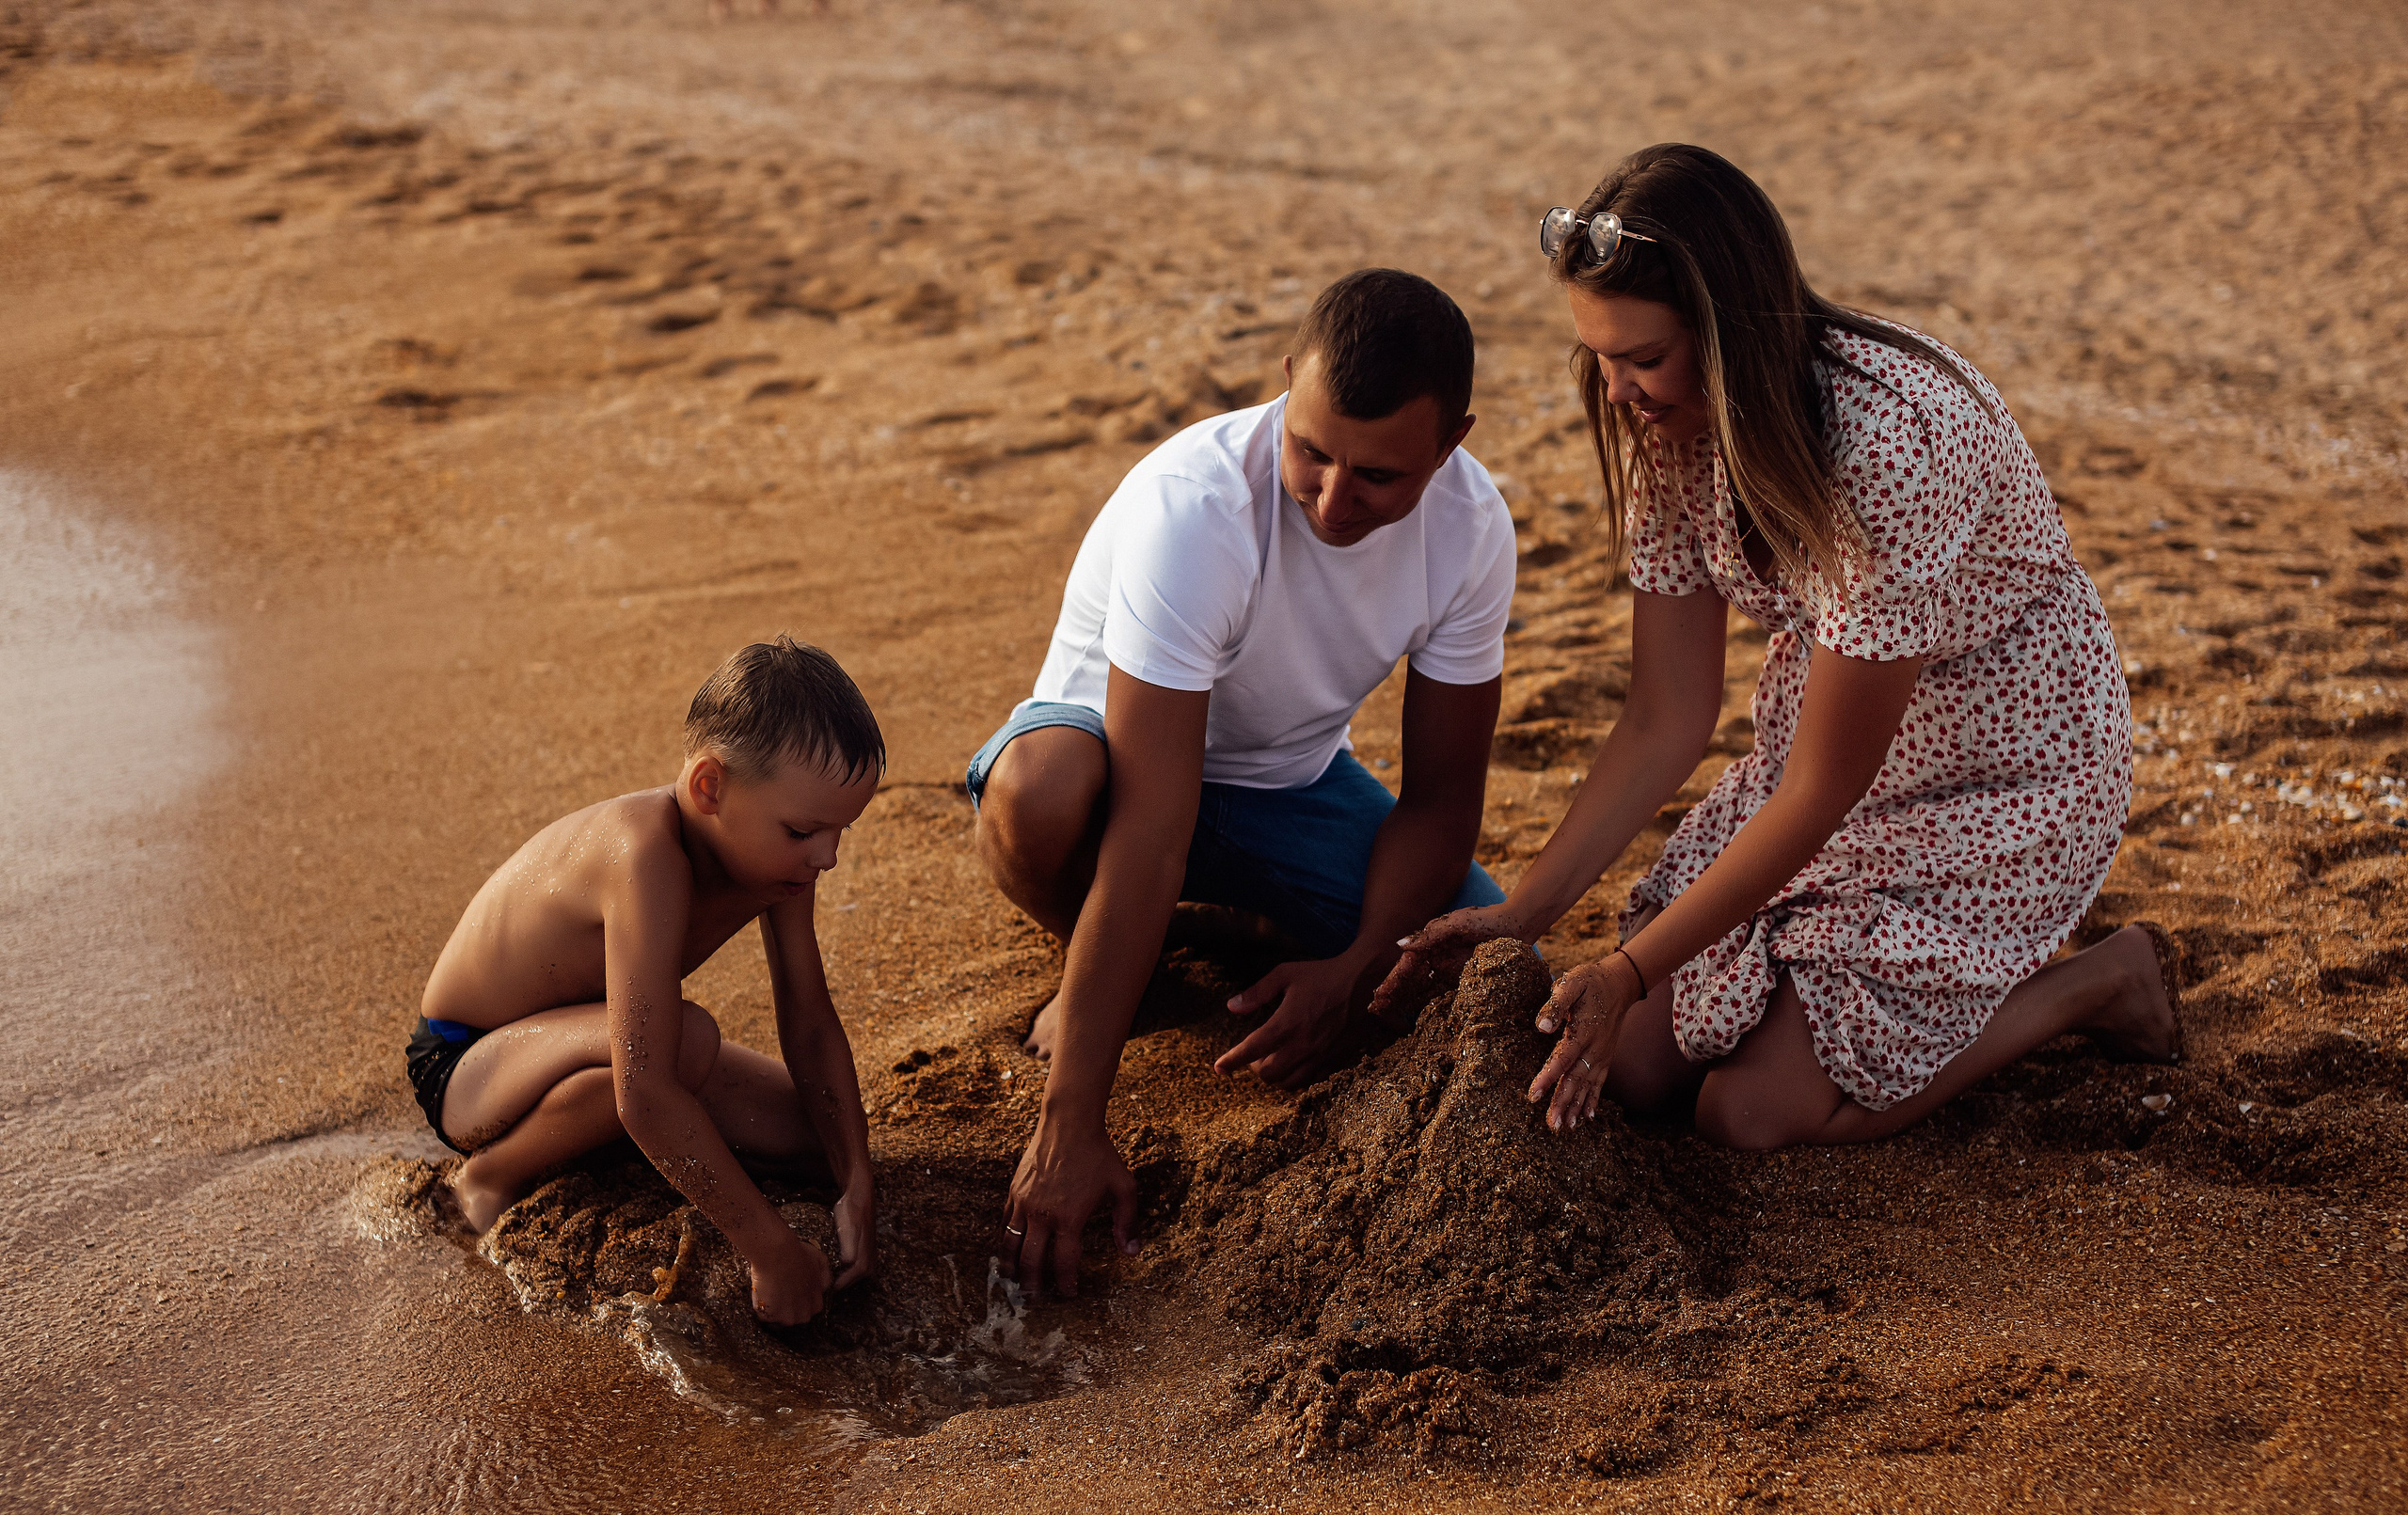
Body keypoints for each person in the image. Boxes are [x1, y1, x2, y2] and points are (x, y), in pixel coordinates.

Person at [1381, 145, 2178, 1149]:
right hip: (1828, 751)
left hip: (2002, 775)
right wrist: (1523, 913)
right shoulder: (1673, 426)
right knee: (1633, 1066)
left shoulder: (1889, 445)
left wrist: (1626, 972)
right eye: (1600, 356)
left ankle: (2099, 982)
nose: (1619, 390)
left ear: (1728, 336)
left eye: (1643, 358)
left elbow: (1820, 792)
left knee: (1748, 1114)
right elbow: (1665, 715)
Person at [972, 268, 1517, 1293]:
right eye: (1309, 451)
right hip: (1110, 767)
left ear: (1451, 444)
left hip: (1286, 784)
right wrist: (1069, 1126)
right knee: (1036, 796)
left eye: (1378, 478)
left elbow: (1444, 800)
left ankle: (1229, 934)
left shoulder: (1474, 531)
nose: (1329, 498)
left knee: (1467, 954)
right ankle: (1109, 966)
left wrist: (1356, 966)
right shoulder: (1199, 506)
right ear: (1285, 387)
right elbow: (1148, 827)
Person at [407, 636, 882, 1326]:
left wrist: (856, 1179)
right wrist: (768, 1248)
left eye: (840, 832)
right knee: (681, 1044)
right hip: (469, 1063)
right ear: (709, 787)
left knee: (820, 1139)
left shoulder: (784, 864)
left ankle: (586, 1137)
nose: (828, 856)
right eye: (805, 829)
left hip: (592, 1039)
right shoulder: (644, 850)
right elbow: (647, 1089)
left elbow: (808, 1019)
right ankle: (492, 1175)